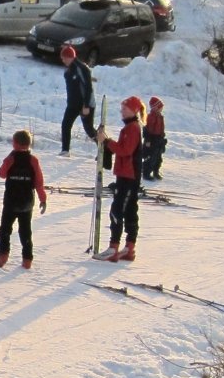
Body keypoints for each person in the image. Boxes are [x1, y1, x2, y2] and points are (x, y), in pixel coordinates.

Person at [99, 96, 144, 262]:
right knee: (130, 210)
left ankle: (114, 247)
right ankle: (129, 248)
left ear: (134, 110)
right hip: (127, 175)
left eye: (124, 109)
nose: (122, 112)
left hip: (129, 177)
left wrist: (107, 141)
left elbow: (125, 150)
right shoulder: (130, 128)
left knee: (117, 211)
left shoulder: (133, 129)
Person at [0, 130, 47, 269]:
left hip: (11, 201)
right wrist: (43, 199)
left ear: (15, 144)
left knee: (5, 229)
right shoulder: (33, 160)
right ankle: (27, 259)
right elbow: (39, 182)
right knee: (25, 231)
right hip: (26, 202)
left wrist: (8, 158)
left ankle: (3, 254)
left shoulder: (11, 159)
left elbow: (1, 174)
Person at [59, 45, 95, 154]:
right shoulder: (68, 69)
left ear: (70, 57)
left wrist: (86, 105)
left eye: (64, 57)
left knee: (89, 129)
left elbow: (88, 88)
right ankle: (65, 150)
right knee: (65, 124)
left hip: (85, 104)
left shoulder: (82, 69)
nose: (63, 60)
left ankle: (103, 147)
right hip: (73, 104)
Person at [141, 96, 167, 181]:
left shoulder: (160, 117)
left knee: (158, 158)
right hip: (151, 140)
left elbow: (162, 129)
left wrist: (163, 138)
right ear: (155, 108)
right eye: (160, 107)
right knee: (150, 158)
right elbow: (148, 129)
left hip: (158, 140)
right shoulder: (151, 117)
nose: (161, 109)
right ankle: (146, 173)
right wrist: (148, 140)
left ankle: (156, 171)